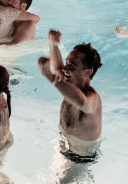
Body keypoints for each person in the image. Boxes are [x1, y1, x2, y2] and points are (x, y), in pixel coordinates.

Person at [38, 31, 102, 160]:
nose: (65, 69)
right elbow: (57, 68)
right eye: (67, 63)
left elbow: (82, 102)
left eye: (71, 66)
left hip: (80, 158)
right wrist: (53, 44)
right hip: (64, 144)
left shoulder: (92, 98)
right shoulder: (71, 82)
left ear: (88, 72)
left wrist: (50, 77)